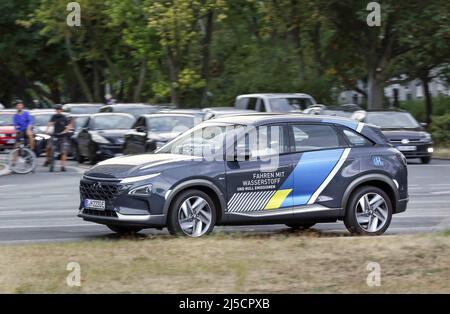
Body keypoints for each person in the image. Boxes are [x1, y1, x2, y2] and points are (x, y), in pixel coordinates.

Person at [45, 104, 72, 172]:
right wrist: (47, 130)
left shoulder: (65, 118)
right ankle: (47, 160)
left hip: (63, 136)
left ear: (61, 110)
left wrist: (64, 132)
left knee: (63, 151)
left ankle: (63, 166)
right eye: (56, 109)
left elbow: (68, 127)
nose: (57, 111)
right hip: (55, 135)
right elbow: (50, 123)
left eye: (59, 109)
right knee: (48, 147)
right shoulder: (54, 116)